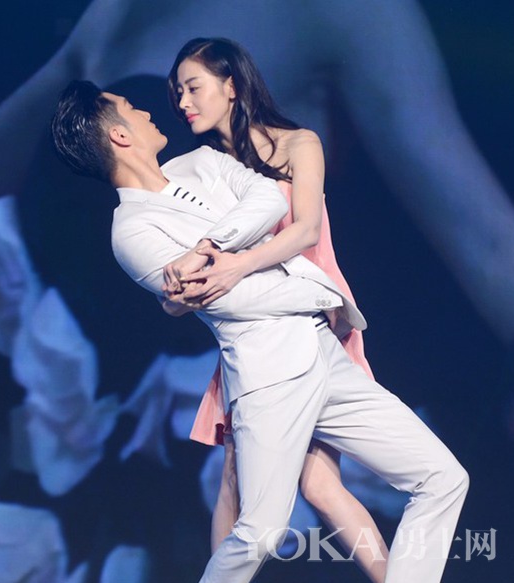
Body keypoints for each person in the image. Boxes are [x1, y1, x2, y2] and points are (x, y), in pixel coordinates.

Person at [51, 79, 468, 583]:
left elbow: (268, 200)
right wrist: (314, 292)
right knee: (261, 532)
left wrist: (211, 249)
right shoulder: (132, 232)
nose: (148, 112)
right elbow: (230, 301)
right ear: (119, 135)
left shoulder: (201, 162)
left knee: (443, 477)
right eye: (131, 109)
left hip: (323, 351)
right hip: (268, 372)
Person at [164, 37, 387, 582]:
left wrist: (237, 266)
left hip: (317, 322)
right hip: (253, 336)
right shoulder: (206, 171)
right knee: (235, 478)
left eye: (192, 87)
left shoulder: (299, 144)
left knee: (320, 485)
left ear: (231, 85)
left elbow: (306, 230)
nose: (183, 102)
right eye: (177, 93)